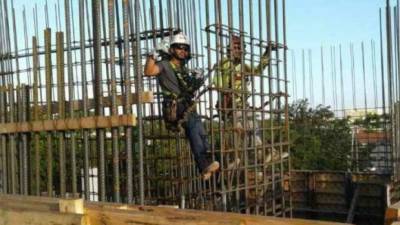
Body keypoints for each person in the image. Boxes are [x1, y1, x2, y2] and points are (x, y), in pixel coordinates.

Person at [144, 32, 219, 180]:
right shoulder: (165, 65)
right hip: (174, 106)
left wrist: (197, 79)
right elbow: (148, 71)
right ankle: (204, 165)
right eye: (179, 47)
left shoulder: (183, 69)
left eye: (185, 48)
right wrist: (153, 55)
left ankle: (207, 166)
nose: (183, 51)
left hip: (186, 105)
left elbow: (189, 89)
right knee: (193, 127)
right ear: (172, 49)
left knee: (201, 132)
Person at [212, 34, 288, 163]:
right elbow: (217, 82)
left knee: (253, 130)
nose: (236, 49)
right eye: (234, 47)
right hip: (230, 106)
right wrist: (227, 88)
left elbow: (258, 70)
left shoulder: (243, 66)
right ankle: (259, 156)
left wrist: (267, 52)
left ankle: (264, 155)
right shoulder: (222, 64)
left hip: (242, 106)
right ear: (228, 50)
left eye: (239, 47)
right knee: (246, 132)